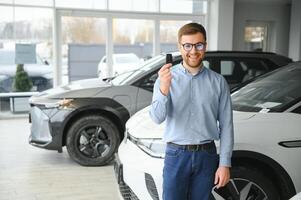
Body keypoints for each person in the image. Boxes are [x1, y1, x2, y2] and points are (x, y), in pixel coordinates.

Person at [149, 22, 234, 200]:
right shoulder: (166, 79)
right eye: (187, 45)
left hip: (207, 156)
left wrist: (225, 164)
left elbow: (227, 126)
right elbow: (157, 118)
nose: (193, 51)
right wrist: (164, 88)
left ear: (205, 46)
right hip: (176, 156)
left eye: (198, 45)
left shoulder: (218, 82)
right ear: (180, 47)